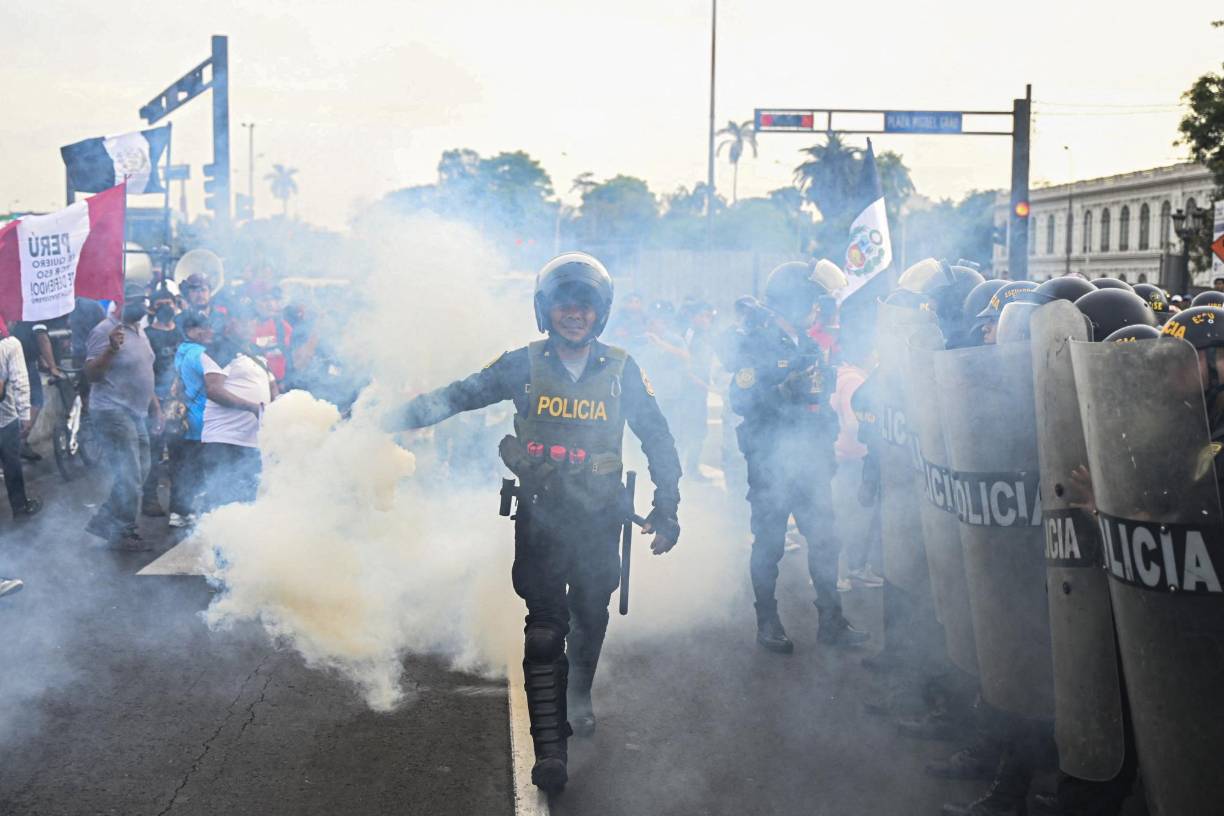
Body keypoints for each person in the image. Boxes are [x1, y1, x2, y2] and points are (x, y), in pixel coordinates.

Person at [385, 252, 681, 794]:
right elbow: (458, 396)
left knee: (590, 611)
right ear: (546, 309)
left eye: (586, 305)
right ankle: (551, 752)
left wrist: (669, 505)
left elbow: (657, 436)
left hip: (599, 516)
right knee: (545, 631)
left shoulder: (622, 369)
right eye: (565, 302)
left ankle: (581, 695)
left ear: (601, 313)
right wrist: (385, 420)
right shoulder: (522, 363)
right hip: (543, 514)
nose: (576, 313)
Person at [728, 259, 868, 654]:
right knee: (769, 545)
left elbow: (819, 404)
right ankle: (767, 621)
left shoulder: (807, 343)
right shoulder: (756, 341)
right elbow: (740, 398)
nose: (816, 310)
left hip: (809, 461)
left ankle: (831, 621)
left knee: (826, 540)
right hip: (771, 461)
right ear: (792, 300)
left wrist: (824, 450)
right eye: (810, 301)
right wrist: (782, 389)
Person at [83, 285, 161, 549]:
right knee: (130, 473)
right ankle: (122, 531)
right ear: (122, 302)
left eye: (145, 300)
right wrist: (110, 350)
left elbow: (144, 372)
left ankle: (105, 519)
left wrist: (156, 408)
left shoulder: (140, 331)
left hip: (136, 411)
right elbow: (91, 374)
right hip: (111, 409)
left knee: (142, 469)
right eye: (138, 301)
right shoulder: (105, 330)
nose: (144, 305)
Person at [201, 304, 277, 508]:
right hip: (225, 439)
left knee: (247, 502)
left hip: (252, 440)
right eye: (245, 319)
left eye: (253, 320)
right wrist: (252, 407)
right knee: (222, 501)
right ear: (232, 322)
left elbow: (273, 388)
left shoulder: (258, 355)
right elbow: (213, 390)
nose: (250, 325)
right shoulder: (220, 349)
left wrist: (279, 411)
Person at [142, 285, 184, 517]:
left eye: (169, 303)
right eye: (160, 305)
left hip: (180, 403)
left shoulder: (182, 333)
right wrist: (155, 406)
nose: (166, 308)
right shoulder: (147, 336)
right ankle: (149, 500)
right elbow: (145, 373)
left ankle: (179, 504)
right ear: (151, 309)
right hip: (155, 401)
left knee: (179, 455)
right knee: (154, 454)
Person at [168, 310, 213, 527]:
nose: (207, 331)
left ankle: (178, 512)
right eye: (200, 328)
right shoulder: (199, 354)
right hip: (199, 418)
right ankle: (186, 510)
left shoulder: (182, 350)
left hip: (185, 416)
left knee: (181, 467)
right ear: (190, 331)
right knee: (195, 469)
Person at [0, 315, 42, 519]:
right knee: (11, 463)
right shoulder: (10, 344)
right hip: (5, 419)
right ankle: (19, 507)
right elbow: (20, 381)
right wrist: (25, 414)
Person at [250, 283, 294, 386]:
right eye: (265, 300)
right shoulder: (246, 327)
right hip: (255, 384)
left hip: (279, 384)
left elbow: (290, 359)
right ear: (254, 302)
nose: (270, 304)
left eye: (273, 300)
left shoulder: (283, 328)